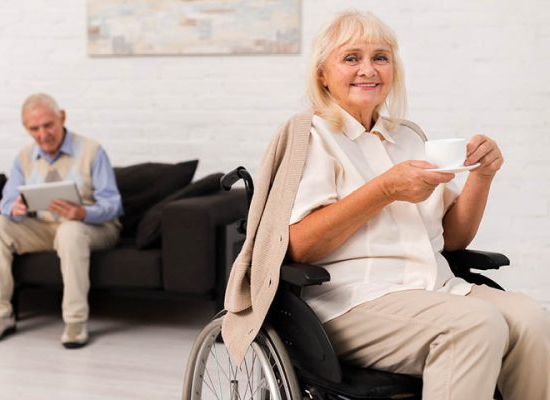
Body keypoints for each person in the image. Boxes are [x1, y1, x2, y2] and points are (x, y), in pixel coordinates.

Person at [222, 10, 550, 399]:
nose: (368, 69)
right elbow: (299, 246)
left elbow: (454, 239)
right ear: (322, 74)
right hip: (348, 301)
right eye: (351, 58)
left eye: (380, 57)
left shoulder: (408, 137)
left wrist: (482, 175)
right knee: (476, 324)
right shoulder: (311, 136)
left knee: (532, 320)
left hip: (433, 288)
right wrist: (385, 190)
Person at [0, 93, 123, 349]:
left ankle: (75, 321)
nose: (43, 134)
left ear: (62, 117)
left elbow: (113, 204)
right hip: (46, 227)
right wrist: (15, 208)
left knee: (70, 231)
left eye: (48, 125)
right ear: (26, 128)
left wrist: (82, 213)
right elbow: (6, 201)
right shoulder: (23, 157)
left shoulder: (92, 151)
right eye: (34, 128)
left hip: (93, 227)